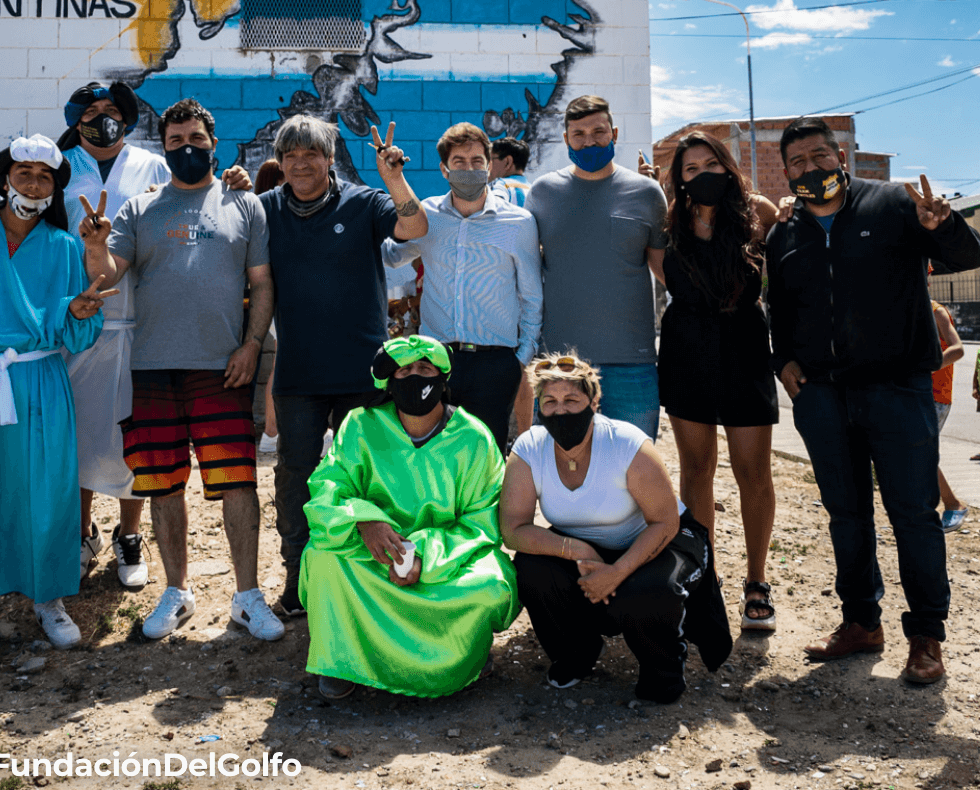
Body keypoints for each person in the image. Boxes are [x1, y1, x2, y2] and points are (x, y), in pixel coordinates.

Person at [0, 89, 252, 588]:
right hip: (69, 327)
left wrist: (234, 180)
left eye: (111, 112)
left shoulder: (155, 165)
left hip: (143, 325)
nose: (101, 119)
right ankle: (81, 531)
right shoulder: (58, 168)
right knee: (75, 438)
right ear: (76, 122)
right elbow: (0, 215)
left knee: (136, 440)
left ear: (127, 120)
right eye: (90, 114)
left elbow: (197, 197)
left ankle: (129, 535)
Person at [766, 116, 980, 684]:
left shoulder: (893, 204)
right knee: (846, 514)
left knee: (914, 514)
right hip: (822, 396)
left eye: (819, 155)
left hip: (897, 389)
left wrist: (945, 224)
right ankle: (861, 622)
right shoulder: (784, 232)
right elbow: (779, 309)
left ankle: (927, 636)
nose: (810, 168)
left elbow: (966, 257)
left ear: (841, 157)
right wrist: (782, 360)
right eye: (797, 162)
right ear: (786, 172)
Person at [79, 98, 283, 643]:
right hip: (151, 368)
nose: (186, 148)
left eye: (195, 139)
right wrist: (95, 247)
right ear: (163, 147)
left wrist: (252, 344)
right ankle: (177, 591)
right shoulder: (140, 209)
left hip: (223, 369)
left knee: (238, 483)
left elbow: (262, 282)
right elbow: (108, 276)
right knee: (164, 486)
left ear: (213, 143)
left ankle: (247, 596)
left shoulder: (245, 203)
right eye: (175, 141)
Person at [0, 135, 115, 664]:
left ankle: (48, 598)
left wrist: (78, 313)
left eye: (44, 177)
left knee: (47, 490)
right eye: (23, 173)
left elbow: (77, 327)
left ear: (55, 188)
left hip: (42, 381)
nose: (33, 184)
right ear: (5, 179)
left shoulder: (63, 246)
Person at [259, 115, 428, 618]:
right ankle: (299, 575)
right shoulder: (264, 209)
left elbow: (415, 227)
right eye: (290, 156)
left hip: (362, 375)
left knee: (369, 474)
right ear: (280, 163)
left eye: (311, 154)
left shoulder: (364, 202)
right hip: (298, 376)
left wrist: (394, 178)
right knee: (296, 477)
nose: (300, 164)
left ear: (329, 159)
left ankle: (375, 572)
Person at [499, 352, 731, 700]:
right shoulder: (530, 448)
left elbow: (665, 521)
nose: (560, 411)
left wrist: (617, 572)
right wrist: (577, 550)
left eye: (571, 400)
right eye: (550, 402)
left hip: (660, 538)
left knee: (647, 592)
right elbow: (513, 529)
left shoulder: (625, 443)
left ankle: (664, 668)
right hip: (586, 547)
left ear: (594, 402)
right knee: (532, 569)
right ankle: (577, 652)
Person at [300, 335, 518, 700]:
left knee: (490, 584)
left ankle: (465, 655)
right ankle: (343, 660)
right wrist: (364, 520)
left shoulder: (474, 438)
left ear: (443, 380)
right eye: (403, 371)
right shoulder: (360, 425)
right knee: (323, 560)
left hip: (447, 559)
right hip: (373, 554)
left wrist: (422, 554)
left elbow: (482, 524)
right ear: (388, 383)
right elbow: (328, 488)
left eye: (425, 369)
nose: (414, 377)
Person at [655, 133, 781, 632]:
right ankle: (703, 577)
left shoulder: (758, 211)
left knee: (754, 472)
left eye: (711, 164)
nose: (703, 174)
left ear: (727, 166)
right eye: (691, 169)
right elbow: (661, 274)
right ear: (680, 178)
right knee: (696, 470)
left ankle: (757, 581)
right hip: (686, 350)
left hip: (745, 348)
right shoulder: (669, 221)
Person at [384, 122, 542, 449]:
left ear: (489, 167)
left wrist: (520, 359)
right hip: (436, 361)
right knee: (434, 456)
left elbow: (531, 296)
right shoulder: (426, 215)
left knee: (487, 459)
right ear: (444, 169)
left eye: (476, 161)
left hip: (495, 364)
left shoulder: (519, 222)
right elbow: (392, 256)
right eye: (459, 162)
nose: (469, 170)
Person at [526, 96, 667, 438]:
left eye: (599, 132)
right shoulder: (542, 193)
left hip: (631, 364)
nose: (589, 142)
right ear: (566, 139)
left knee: (634, 463)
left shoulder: (648, 194)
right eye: (579, 134)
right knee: (558, 463)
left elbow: (667, 273)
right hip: (559, 365)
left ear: (614, 134)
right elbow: (526, 271)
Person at [252, 159, 284, 454]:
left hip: (276, 296)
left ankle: (272, 432)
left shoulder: (261, 214)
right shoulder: (272, 214)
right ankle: (271, 432)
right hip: (280, 297)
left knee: (281, 361)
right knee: (281, 362)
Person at [930, 293, 968, 532]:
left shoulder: (936, 311)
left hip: (936, 395)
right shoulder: (902, 307)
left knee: (922, 452)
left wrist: (926, 368)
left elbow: (958, 349)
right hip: (913, 392)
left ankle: (953, 504)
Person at [489, 137, 531, 207]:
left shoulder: (502, 185)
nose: (488, 165)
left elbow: (494, 208)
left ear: (507, 162)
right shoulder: (532, 188)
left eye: (491, 159)